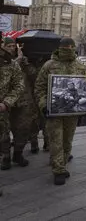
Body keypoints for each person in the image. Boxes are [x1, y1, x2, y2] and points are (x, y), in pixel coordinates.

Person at [35, 37, 86, 185]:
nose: (68, 49)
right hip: (54, 110)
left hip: (72, 111)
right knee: (56, 140)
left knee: (67, 140)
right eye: (65, 47)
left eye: (71, 47)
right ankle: (59, 170)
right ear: (60, 48)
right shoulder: (49, 65)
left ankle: (60, 162)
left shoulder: (80, 66)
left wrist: (83, 108)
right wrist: (44, 105)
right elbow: (39, 87)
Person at [1, 37, 30, 168]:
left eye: (14, 46)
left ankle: (18, 154)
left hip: (18, 102)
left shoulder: (14, 64)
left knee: (22, 129)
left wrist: (8, 101)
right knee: (3, 132)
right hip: (2, 106)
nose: (12, 48)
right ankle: (5, 157)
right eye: (9, 46)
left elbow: (19, 85)